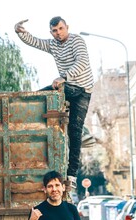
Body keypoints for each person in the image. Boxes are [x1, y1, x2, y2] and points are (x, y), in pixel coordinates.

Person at [15, 17, 94, 193]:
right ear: (51, 32)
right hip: (65, 86)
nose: (58, 33)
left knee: (75, 129)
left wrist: (63, 77)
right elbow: (35, 42)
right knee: (39, 98)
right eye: (54, 31)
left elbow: (81, 63)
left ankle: (72, 176)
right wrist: (20, 32)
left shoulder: (77, 41)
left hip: (82, 90)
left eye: (60, 29)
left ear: (67, 27)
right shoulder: (53, 44)